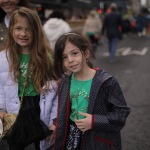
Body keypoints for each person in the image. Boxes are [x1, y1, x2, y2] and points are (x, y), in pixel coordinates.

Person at [53, 32, 130, 150]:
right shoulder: (65, 81)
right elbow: (62, 109)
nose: (70, 60)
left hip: (97, 138)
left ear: (86, 53)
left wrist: (94, 121)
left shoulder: (106, 82)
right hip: (71, 137)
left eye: (74, 53)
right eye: (64, 57)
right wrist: (56, 124)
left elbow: (121, 113)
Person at [0, 7, 58, 150]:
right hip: (14, 110)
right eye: (18, 28)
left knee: (43, 145)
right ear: (11, 29)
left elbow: (56, 91)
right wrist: (0, 111)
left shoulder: (47, 57)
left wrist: (55, 120)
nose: (23, 34)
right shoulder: (3, 58)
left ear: (36, 31)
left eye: (29, 29)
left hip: (39, 107)